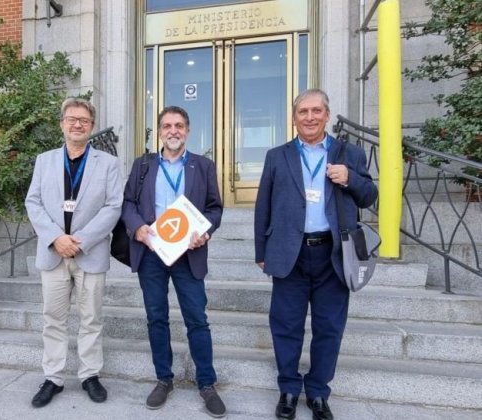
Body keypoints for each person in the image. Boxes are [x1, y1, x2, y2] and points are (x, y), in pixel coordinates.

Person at [254, 89, 378, 420]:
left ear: (326, 114)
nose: (309, 117)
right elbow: (262, 206)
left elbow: (369, 196)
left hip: (332, 254)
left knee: (329, 327)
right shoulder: (276, 156)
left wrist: (350, 179)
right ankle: (289, 389)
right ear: (293, 118)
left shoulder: (348, 153)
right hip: (288, 254)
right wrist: (261, 251)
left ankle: (319, 392)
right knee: (286, 326)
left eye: (316, 111)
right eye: (303, 112)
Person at [121, 106, 226, 418]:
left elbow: (214, 209)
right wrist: (137, 227)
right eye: (167, 125)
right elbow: (127, 203)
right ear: (159, 131)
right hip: (152, 253)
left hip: (188, 254)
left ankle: (206, 383)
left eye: (179, 125)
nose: (173, 131)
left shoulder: (203, 166)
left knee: (197, 319)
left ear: (188, 131)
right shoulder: (142, 166)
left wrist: (204, 232)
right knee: (156, 318)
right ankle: (163, 379)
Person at [25, 97, 123, 408]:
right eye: (71, 118)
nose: (77, 124)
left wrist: (79, 240)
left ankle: (90, 375)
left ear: (91, 127)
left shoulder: (108, 163)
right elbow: (33, 203)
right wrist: (56, 238)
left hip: (89, 254)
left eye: (83, 120)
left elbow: (113, 206)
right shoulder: (45, 160)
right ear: (62, 124)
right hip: (53, 253)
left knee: (91, 318)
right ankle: (52, 377)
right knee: (53, 318)